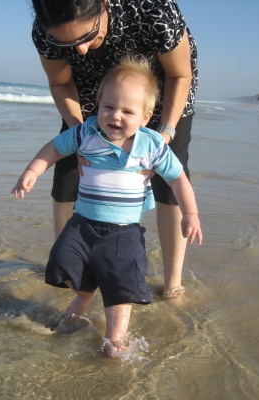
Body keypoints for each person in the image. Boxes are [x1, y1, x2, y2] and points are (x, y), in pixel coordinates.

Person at [12, 57, 202, 357]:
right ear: (98, 104)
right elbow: (54, 148)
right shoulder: (85, 134)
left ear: (145, 116)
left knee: (120, 286)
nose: (115, 116)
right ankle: (84, 297)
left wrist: (190, 214)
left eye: (128, 111)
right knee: (65, 262)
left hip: (122, 233)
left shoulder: (151, 146)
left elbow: (178, 178)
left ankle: (115, 338)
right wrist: (32, 172)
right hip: (81, 224)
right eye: (109, 107)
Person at [31, 0, 198, 300]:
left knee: (168, 177)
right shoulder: (47, 29)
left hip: (159, 90)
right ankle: (73, 269)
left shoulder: (154, 10)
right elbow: (60, 83)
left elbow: (179, 74)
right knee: (69, 168)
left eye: (86, 36)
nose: (79, 50)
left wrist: (166, 133)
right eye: (67, 42)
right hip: (95, 94)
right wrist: (78, 131)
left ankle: (173, 284)